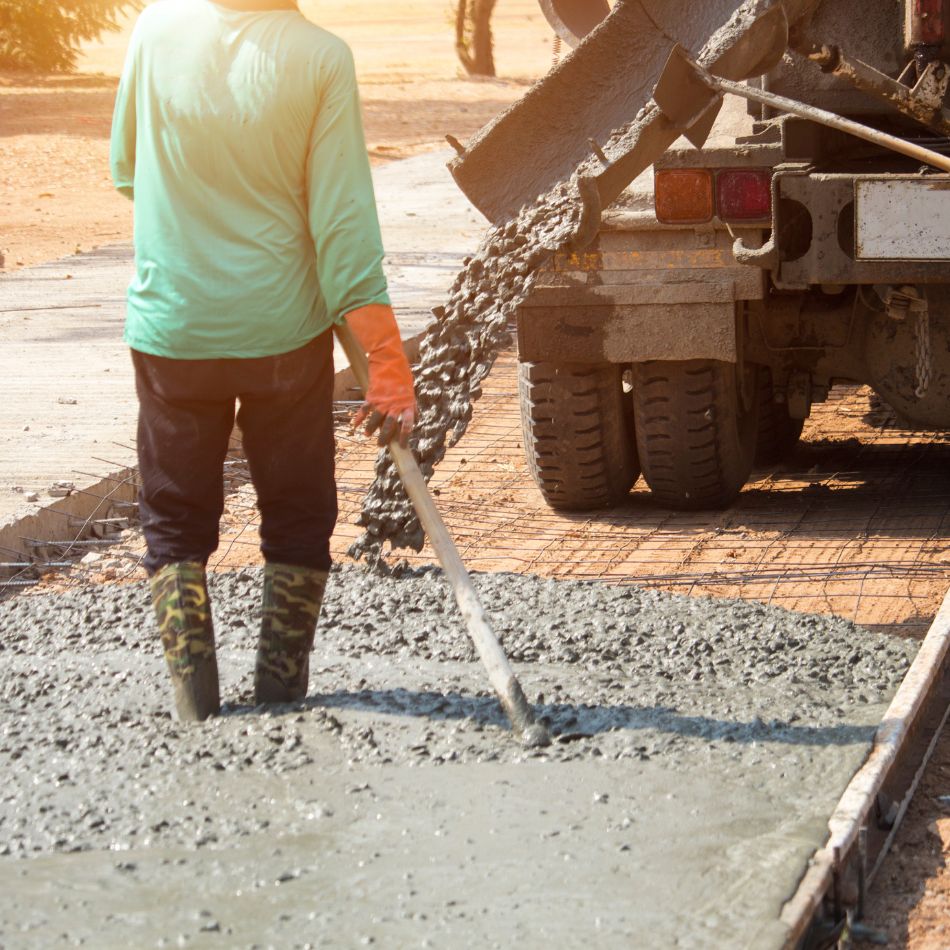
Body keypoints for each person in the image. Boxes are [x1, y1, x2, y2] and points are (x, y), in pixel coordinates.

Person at [110, 0, 416, 722]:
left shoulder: (154, 27)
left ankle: (194, 704)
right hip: (281, 336)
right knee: (298, 511)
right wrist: (386, 357)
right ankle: (280, 697)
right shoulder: (321, 58)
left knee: (174, 520)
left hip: (173, 330)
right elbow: (341, 227)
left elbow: (127, 170)